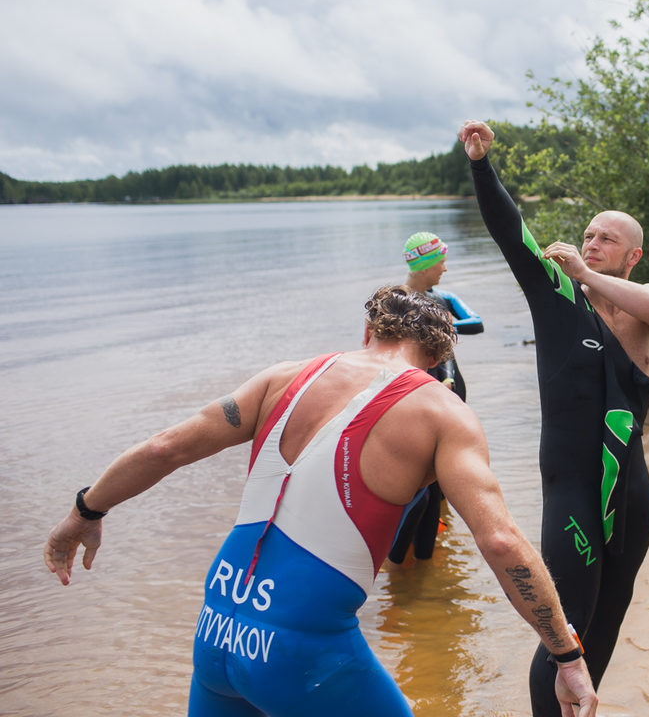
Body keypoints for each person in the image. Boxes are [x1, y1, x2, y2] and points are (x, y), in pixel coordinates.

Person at [43, 283, 597, 717]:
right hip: (301, 654)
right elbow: (499, 539)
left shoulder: (283, 377)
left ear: (367, 332)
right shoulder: (442, 410)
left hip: (215, 634)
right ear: (438, 357)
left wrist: (83, 513)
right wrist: (565, 653)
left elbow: (166, 448)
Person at [458, 120, 649, 717]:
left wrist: (587, 275)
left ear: (632, 255)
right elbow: (511, 233)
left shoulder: (641, 303)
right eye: (587, 235)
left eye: (607, 239)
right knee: (566, 631)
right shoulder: (556, 295)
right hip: (572, 488)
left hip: (629, 492)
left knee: (607, 622)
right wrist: (482, 164)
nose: (592, 243)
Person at [388, 231, 484, 564]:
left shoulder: (442, 298)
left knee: (438, 482)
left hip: (449, 387)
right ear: (425, 264)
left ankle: (423, 561)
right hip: (417, 395)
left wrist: (440, 328)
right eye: (441, 261)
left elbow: (477, 323)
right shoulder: (394, 302)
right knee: (419, 484)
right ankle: (398, 558)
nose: (444, 268)